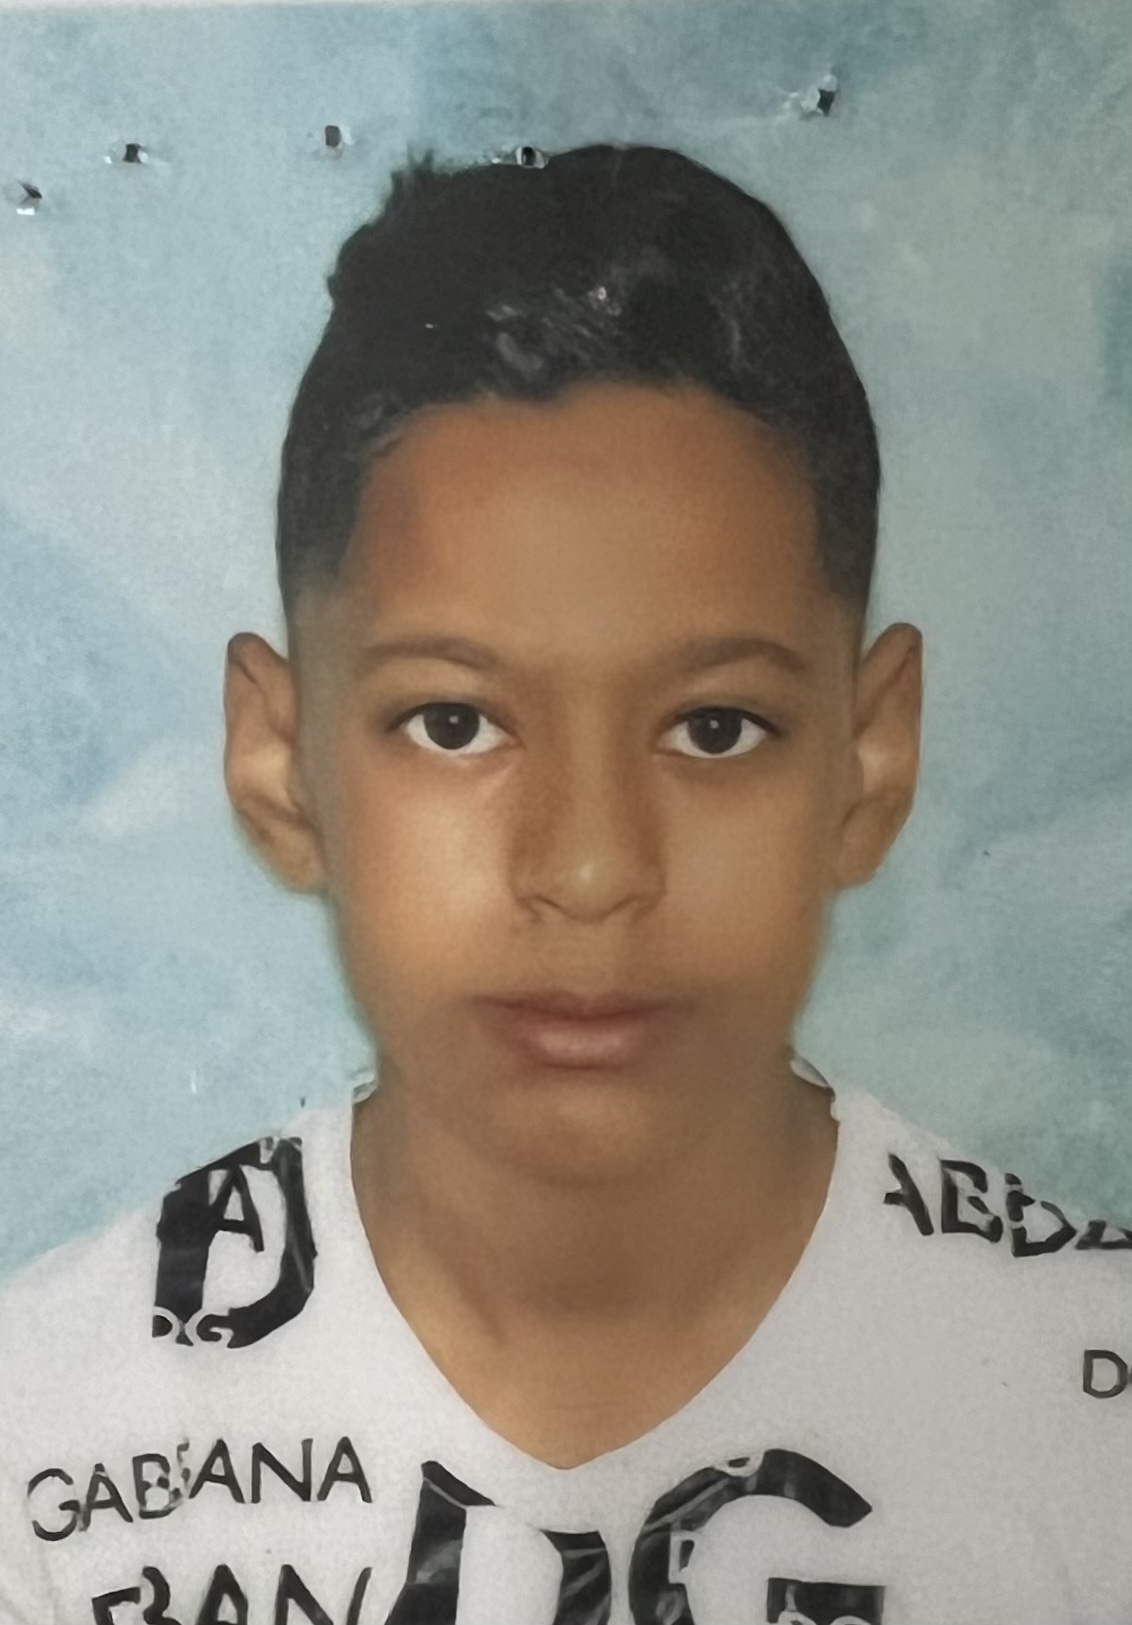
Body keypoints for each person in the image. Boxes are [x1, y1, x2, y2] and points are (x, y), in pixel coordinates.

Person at [0, 142, 1127, 1625]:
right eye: (453, 723)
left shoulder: (1092, 1420)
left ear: (869, 760)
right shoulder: (48, 1446)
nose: (591, 870)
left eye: (714, 729)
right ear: (281, 765)